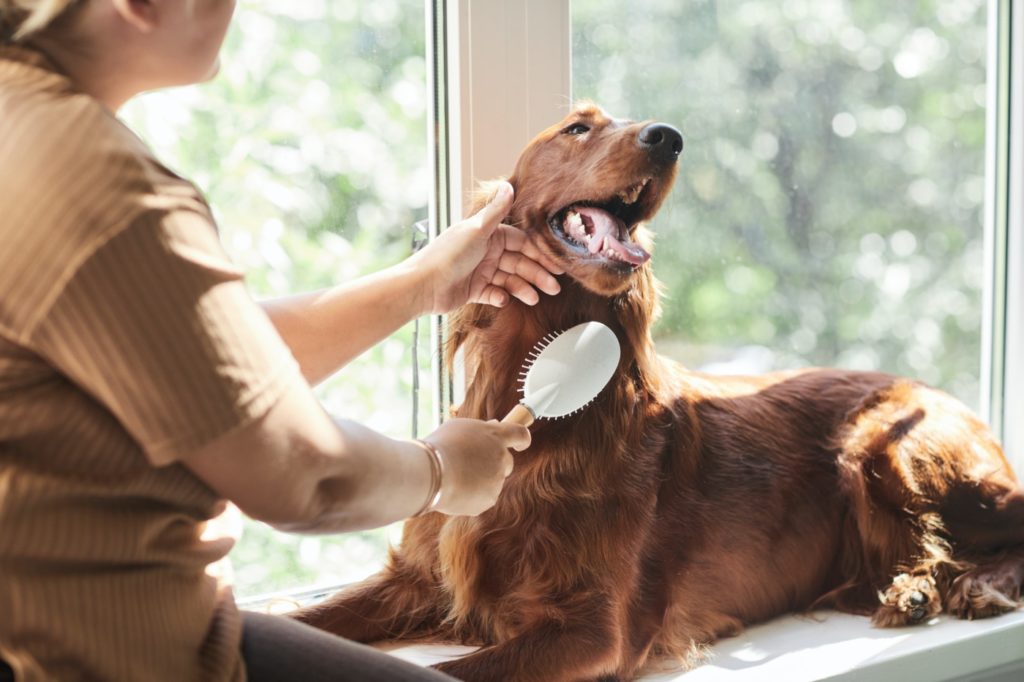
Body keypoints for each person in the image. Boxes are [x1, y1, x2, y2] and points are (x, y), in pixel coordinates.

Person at [0, 1, 563, 680]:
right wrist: (441, 471)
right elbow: (306, 477)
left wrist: (420, 285)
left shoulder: (20, 121)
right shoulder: (98, 186)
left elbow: (191, 358)